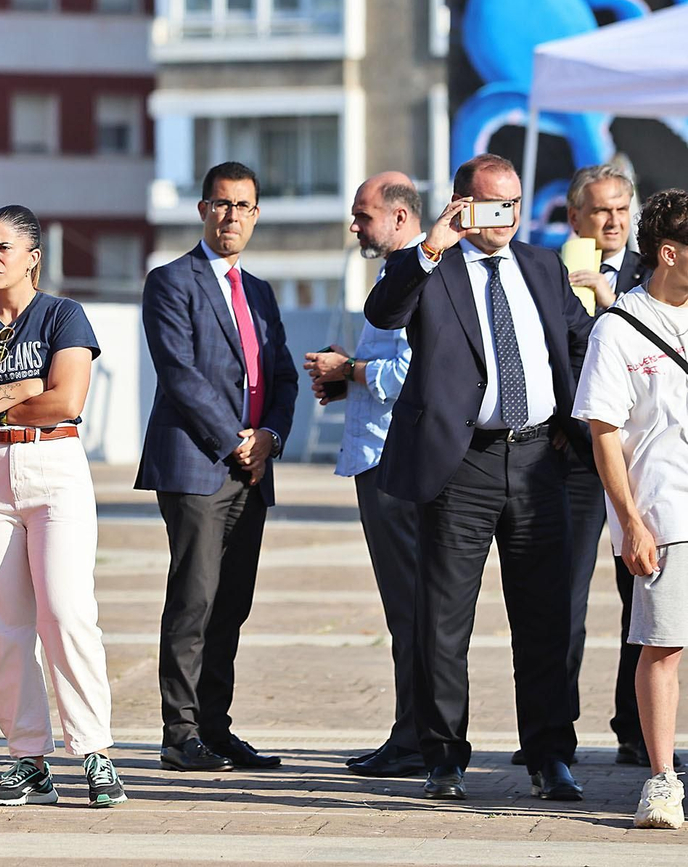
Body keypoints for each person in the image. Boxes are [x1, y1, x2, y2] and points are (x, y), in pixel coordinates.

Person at [365, 154, 592, 802]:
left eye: (516, 203)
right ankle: (444, 758)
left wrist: (574, 422)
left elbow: (578, 342)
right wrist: (431, 247)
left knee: (547, 615)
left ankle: (551, 755)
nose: (508, 217)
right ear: (462, 203)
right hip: (460, 463)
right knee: (443, 621)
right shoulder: (434, 268)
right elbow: (383, 311)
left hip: (537, 460)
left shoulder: (544, 268)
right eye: (494, 204)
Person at [0, 204, 128, 809]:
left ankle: (94, 752)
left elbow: (66, 398)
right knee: (2, 624)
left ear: (32, 257)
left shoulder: (63, 315)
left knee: (68, 613)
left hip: (55, 467)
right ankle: (28, 758)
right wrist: (24, 389)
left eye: (2, 248)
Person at [135, 161, 297, 773]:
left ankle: (214, 726)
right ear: (204, 209)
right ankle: (179, 734)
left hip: (254, 468)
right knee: (194, 600)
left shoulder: (260, 290)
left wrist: (271, 437)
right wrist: (237, 442)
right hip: (200, 463)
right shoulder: (171, 281)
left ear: (256, 215)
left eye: (244, 206)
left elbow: (280, 375)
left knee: (232, 603)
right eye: (222, 204)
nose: (232, 216)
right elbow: (179, 374)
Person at [303, 173, 427, 779]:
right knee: (405, 609)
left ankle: (418, 737)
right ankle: (414, 731)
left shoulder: (420, 276)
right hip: (379, 456)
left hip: (395, 463)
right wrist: (346, 374)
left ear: (400, 218)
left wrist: (348, 368)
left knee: (411, 608)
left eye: (364, 214)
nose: (355, 226)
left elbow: (408, 376)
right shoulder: (395, 273)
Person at [572, 188, 688, 829]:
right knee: (663, 645)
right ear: (669, 253)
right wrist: (632, 521)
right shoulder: (619, 328)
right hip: (667, 514)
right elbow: (604, 431)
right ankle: (662, 780)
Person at [560, 163, 657, 769]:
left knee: (643, 594)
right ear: (576, 218)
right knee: (561, 600)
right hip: (570, 458)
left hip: (642, 463)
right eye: (601, 210)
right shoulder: (552, 274)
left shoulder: (660, 274)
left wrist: (611, 305)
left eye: (623, 209)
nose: (615, 221)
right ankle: (551, 734)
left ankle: (635, 727)